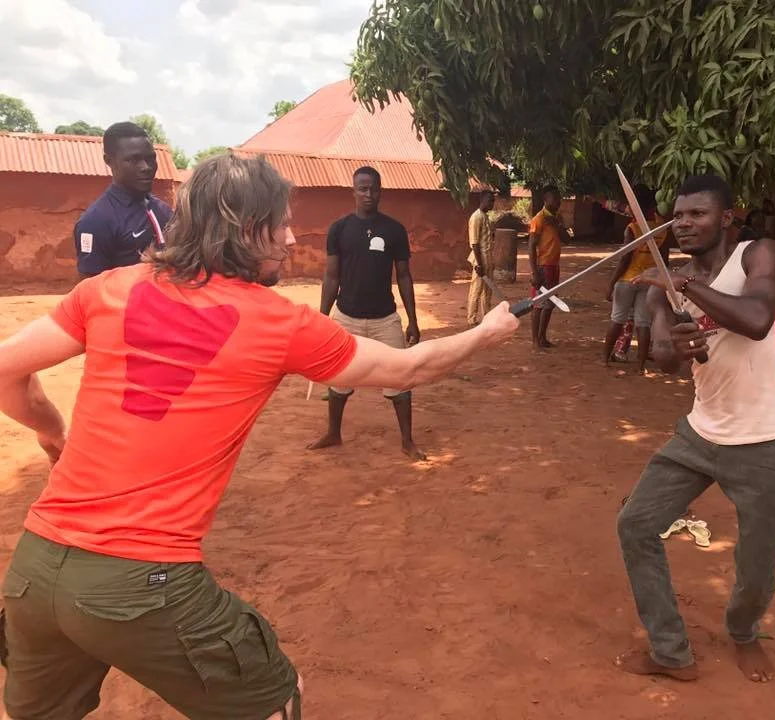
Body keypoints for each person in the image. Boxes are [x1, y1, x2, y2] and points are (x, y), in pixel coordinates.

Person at [0, 154, 518, 720]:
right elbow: (406, 370)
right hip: (143, 583)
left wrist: (53, 434)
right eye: (282, 222)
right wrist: (486, 334)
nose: (293, 235)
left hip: (35, 572)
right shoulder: (277, 323)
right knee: (274, 700)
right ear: (246, 231)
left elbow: (6, 369)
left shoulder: (106, 290)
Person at [616, 174, 775, 685]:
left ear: (727, 217)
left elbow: (759, 317)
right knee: (635, 525)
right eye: (677, 216)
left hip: (765, 437)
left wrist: (686, 288)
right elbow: (664, 362)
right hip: (699, 434)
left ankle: (743, 633)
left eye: (698, 214)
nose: (685, 224)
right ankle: (671, 652)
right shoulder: (666, 288)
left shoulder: (758, 256)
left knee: (757, 567)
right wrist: (679, 342)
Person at [309, 166, 426, 460]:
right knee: (338, 380)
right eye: (362, 188)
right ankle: (334, 433)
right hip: (346, 317)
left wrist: (412, 319)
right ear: (353, 191)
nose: (368, 194)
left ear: (380, 191)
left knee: (400, 379)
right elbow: (331, 277)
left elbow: (404, 276)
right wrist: (323, 317)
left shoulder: (394, 230)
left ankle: (407, 442)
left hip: (385, 319)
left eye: (373, 189)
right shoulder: (339, 229)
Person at [74, 121, 173, 278]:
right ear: (109, 161)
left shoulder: (164, 211)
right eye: (133, 160)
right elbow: (90, 290)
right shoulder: (96, 222)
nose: (146, 167)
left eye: (150, 158)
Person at [603, 206, 669, 370]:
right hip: (649, 281)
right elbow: (664, 260)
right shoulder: (661, 229)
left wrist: (611, 283)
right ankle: (641, 366)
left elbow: (625, 258)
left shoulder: (632, 228)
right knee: (643, 323)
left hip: (628, 279)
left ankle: (604, 358)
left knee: (617, 318)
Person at [528, 185, 566, 349]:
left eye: (559, 198)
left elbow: (567, 239)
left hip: (554, 265)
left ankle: (542, 337)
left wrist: (558, 224)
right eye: (554, 198)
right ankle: (536, 341)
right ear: (546, 199)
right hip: (543, 265)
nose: (558, 201)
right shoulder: (539, 219)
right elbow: (531, 246)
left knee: (550, 303)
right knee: (538, 304)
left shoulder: (557, 217)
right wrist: (534, 272)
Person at [467, 190, 497, 325]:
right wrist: (479, 264)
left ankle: (487, 317)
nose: (493, 203)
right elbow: (474, 243)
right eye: (491, 201)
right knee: (476, 290)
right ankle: (471, 319)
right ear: (483, 200)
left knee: (488, 290)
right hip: (480, 258)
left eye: (493, 201)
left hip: (488, 257)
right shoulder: (476, 217)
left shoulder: (485, 217)